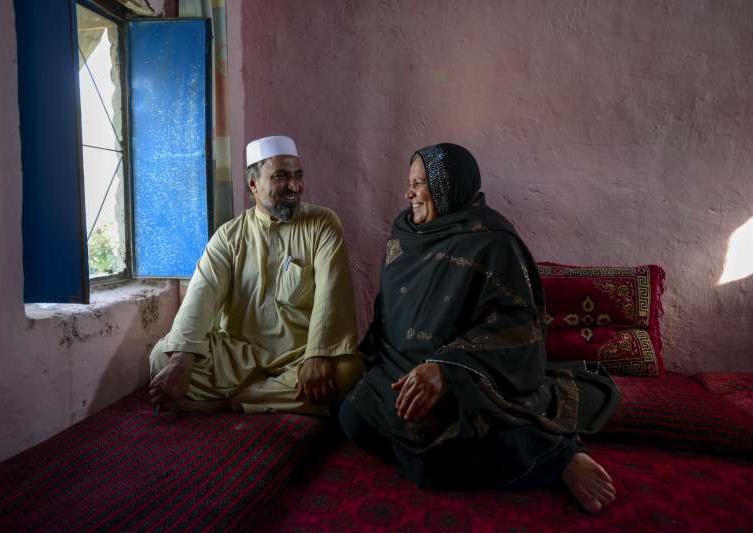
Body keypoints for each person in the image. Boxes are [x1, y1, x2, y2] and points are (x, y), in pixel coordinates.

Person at [340, 143, 620, 513]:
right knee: (352, 416)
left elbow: (518, 327)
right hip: (399, 367)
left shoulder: (493, 241)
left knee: (434, 458)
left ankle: (559, 458)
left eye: (420, 183)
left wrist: (447, 369)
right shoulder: (403, 235)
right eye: (409, 182)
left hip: (469, 378)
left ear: (448, 187)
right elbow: (390, 315)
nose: (409, 193)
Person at [149, 135, 363, 415]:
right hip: (238, 356)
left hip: (298, 356)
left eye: (298, 176)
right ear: (253, 184)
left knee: (346, 372)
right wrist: (181, 360)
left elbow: (331, 296)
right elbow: (201, 296)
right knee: (162, 357)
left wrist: (317, 354)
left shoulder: (322, 224)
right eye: (282, 177)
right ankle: (266, 397)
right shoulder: (229, 236)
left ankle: (230, 402)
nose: (295, 186)